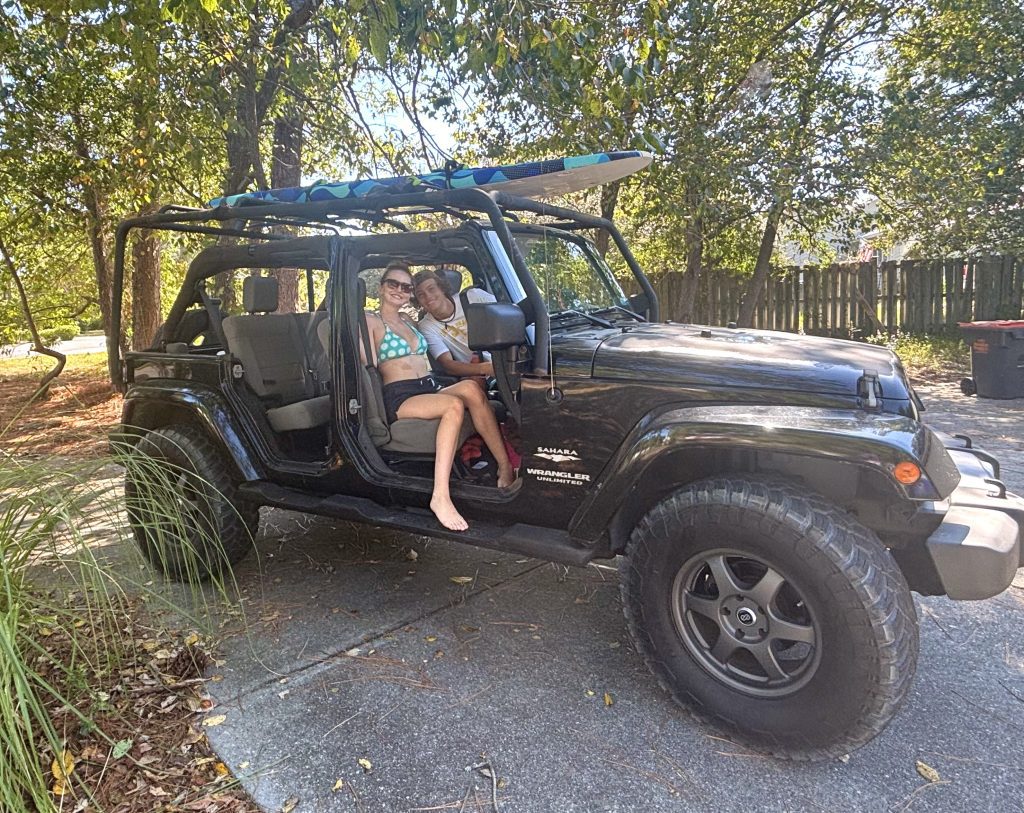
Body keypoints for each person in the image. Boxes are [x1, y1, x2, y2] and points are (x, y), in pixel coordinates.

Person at [365, 261, 515, 531]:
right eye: (393, 284)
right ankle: (440, 497)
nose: (399, 290)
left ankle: (505, 466)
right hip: (400, 396)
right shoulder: (370, 321)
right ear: (381, 287)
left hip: (427, 387)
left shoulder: (410, 321)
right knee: (453, 405)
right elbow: (363, 366)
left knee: (471, 389)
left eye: (406, 287)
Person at [413, 269, 496, 380]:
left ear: (442, 288)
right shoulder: (426, 326)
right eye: (421, 295)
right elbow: (448, 365)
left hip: (507, 359)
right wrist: (484, 368)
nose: (428, 296)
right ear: (418, 301)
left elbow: (508, 319)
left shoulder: (473, 297)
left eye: (431, 289)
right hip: (478, 374)